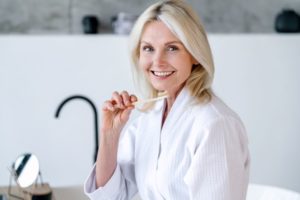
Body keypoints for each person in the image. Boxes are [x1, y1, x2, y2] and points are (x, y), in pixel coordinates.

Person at [84, 0, 250, 199]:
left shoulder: (215, 125)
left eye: (172, 48)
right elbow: (110, 196)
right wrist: (109, 137)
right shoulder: (149, 120)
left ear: (195, 54)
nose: (157, 61)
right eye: (148, 48)